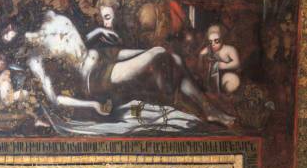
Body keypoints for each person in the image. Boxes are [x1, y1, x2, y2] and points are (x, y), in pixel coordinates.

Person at [25, 10, 235, 126]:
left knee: (168, 55)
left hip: (100, 56)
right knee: (157, 53)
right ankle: (189, 106)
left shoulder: (61, 27)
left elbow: (80, 45)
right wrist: (90, 105)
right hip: (96, 78)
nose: (69, 34)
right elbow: (54, 98)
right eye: (63, 34)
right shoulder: (40, 56)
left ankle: (209, 110)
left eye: (69, 30)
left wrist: (97, 31)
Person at [199, 25, 241, 95]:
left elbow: (236, 63)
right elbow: (201, 54)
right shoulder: (209, 49)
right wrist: (201, 56)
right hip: (212, 78)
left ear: (221, 39)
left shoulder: (230, 49)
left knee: (231, 83)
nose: (213, 44)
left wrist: (221, 65)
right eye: (211, 42)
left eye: (216, 41)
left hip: (228, 75)